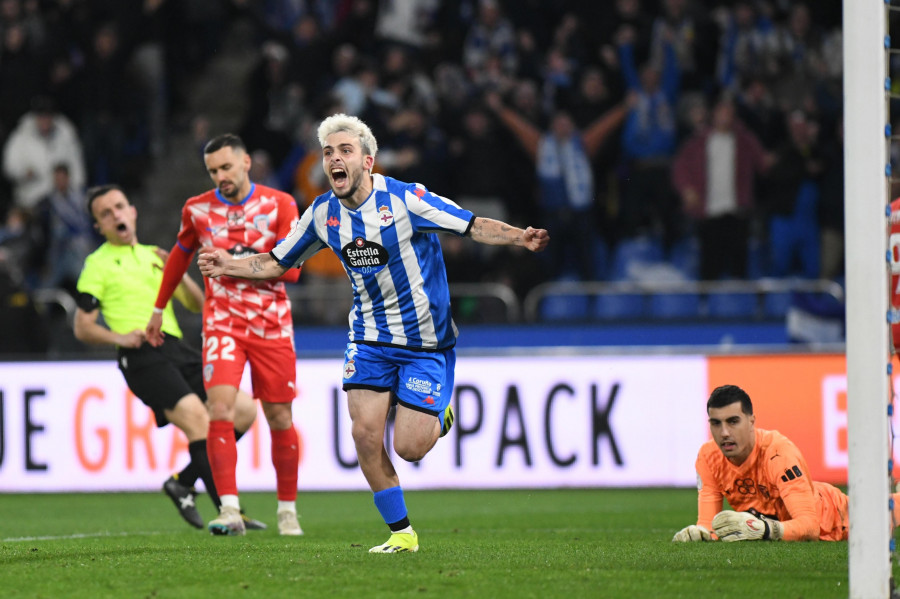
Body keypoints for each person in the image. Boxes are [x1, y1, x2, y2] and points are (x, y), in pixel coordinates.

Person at [196, 113, 550, 553]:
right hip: (368, 338)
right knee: (364, 434)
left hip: (425, 343)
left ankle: (437, 416)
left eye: (344, 151)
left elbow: (470, 224)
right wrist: (227, 264)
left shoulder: (405, 199)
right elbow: (276, 260)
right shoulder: (322, 214)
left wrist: (521, 237)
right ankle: (402, 534)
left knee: (409, 447)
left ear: (368, 160)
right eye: (328, 153)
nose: (334, 160)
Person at [73, 184, 264, 531]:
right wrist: (120, 337)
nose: (115, 215)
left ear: (133, 211)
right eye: (105, 213)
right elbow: (82, 327)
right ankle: (230, 511)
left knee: (245, 409)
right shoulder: (96, 264)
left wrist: (175, 270)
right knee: (197, 419)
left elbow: (197, 305)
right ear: (99, 226)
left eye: (119, 206)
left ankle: (182, 482)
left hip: (176, 347)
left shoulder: (154, 255)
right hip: (141, 354)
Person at [146, 134, 303, 537]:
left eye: (226, 168)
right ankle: (230, 509)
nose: (221, 177)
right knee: (220, 409)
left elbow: (293, 269)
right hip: (223, 324)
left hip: (271, 324)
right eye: (213, 171)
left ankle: (288, 511)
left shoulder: (281, 205)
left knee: (279, 415)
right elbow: (180, 256)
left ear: (246, 162)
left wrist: (233, 264)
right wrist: (159, 307)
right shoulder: (197, 209)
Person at [672, 384, 900, 542]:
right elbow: (708, 525)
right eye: (716, 423)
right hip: (793, 510)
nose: (724, 433)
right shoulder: (708, 457)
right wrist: (699, 533)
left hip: (837, 518)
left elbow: (810, 527)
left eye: (733, 422)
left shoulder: (778, 454)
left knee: (887, 512)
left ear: (751, 421)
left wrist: (765, 529)